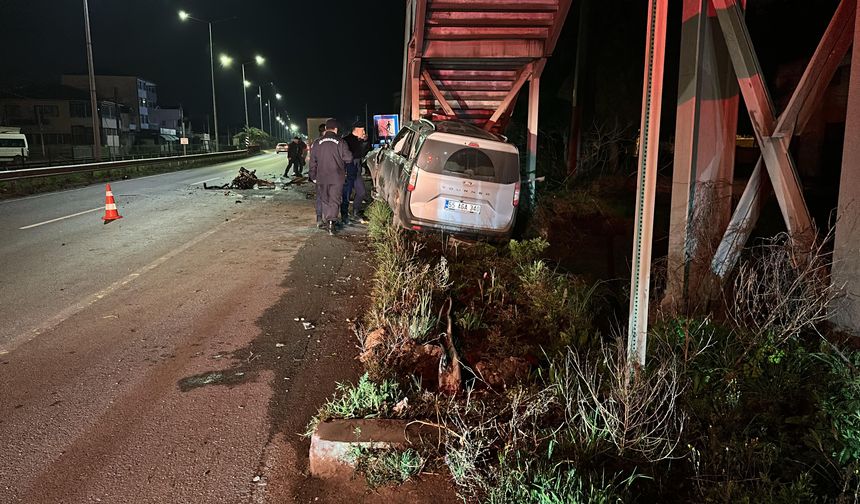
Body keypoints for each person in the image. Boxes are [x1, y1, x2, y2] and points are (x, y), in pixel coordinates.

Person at [309, 118, 353, 235]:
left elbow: (312, 161)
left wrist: (312, 175)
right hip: (337, 176)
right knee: (335, 199)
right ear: (336, 129)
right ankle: (331, 224)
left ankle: (325, 220)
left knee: (324, 199)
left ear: (326, 128)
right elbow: (348, 158)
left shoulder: (317, 142)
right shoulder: (341, 142)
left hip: (322, 176)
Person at [341, 122, 371, 224]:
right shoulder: (346, 140)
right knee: (346, 194)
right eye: (362, 130)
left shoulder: (361, 140)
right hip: (348, 169)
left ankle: (356, 212)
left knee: (361, 191)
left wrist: (365, 141)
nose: (364, 132)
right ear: (356, 130)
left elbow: (364, 152)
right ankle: (344, 215)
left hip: (357, 169)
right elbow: (352, 154)